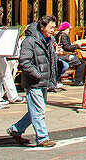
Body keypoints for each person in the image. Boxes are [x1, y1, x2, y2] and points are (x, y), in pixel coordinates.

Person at [6, 14, 59, 148]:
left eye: (54, 27)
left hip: (44, 80)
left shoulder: (49, 40)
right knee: (39, 110)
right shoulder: (29, 41)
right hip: (34, 81)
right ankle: (42, 137)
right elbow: (24, 62)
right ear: (42, 27)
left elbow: (51, 60)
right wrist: (38, 75)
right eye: (51, 27)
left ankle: (16, 130)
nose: (53, 30)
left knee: (35, 110)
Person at [55, 22, 86, 87]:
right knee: (81, 62)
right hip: (65, 56)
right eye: (69, 29)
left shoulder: (59, 34)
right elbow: (67, 47)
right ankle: (77, 80)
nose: (69, 31)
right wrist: (77, 46)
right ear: (66, 29)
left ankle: (77, 79)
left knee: (80, 61)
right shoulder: (64, 35)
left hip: (61, 55)